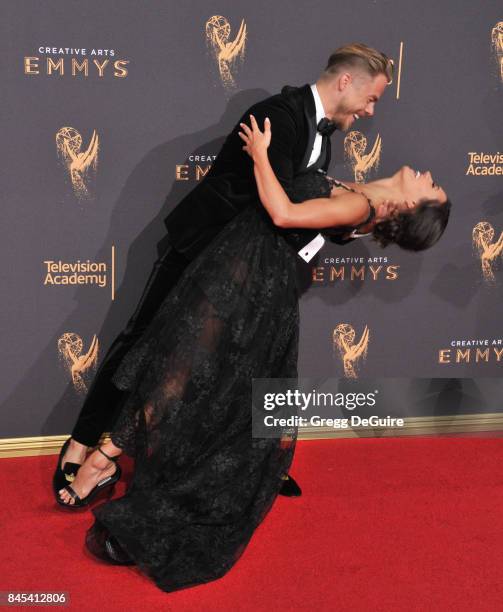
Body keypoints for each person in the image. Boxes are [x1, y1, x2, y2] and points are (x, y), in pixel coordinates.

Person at [60, 114, 450, 593]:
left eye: (433, 187)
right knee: (177, 368)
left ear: (413, 205)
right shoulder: (362, 197)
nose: (430, 176)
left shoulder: (355, 205)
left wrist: (262, 154)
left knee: (179, 372)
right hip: (243, 272)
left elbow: (285, 214)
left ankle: (103, 458)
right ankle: (106, 456)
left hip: (245, 283)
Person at [52, 42, 393, 502]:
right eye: (372, 98)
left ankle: (257, 464)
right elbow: (283, 209)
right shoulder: (277, 116)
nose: (372, 110)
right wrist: (353, 212)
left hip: (244, 269)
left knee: (251, 361)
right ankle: (81, 444)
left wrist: (349, 224)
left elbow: (304, 207)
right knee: (142, 344)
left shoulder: (324, 136)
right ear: (346, 81)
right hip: (201, 250)